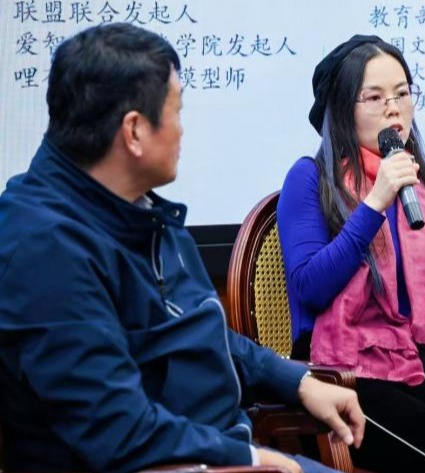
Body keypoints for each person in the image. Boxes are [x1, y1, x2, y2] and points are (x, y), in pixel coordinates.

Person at [0, 23, 364, 473]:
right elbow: (116, 431)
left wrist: (297, 382)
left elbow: (197, 329)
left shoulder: (136, 209)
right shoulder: (46, 248)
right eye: (176, 112)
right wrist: (250, 458)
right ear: (134, 131)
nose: (181, 131)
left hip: (213, 449)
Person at [277, 35, 425, 473]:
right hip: (343, 373)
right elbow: (309, 287)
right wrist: (374, 204)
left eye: (402, 94)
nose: (393, 109)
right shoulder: (311, 179)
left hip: (420, 364)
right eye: (375, 97)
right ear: (342, 109)